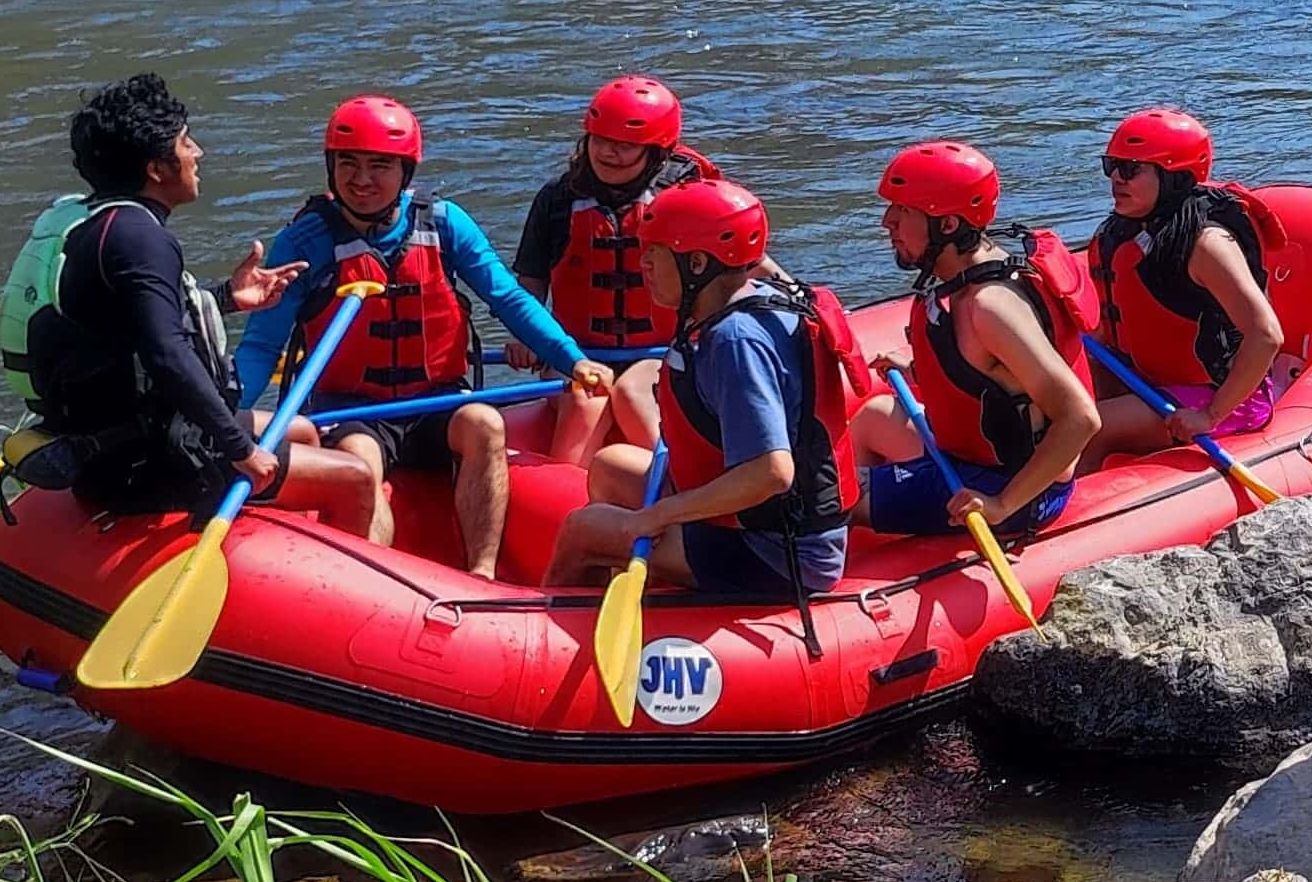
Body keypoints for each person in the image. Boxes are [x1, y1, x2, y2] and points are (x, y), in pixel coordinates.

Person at [228, 92, 608, 579]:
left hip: (435, 402)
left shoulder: (445, 224)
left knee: (485, 424)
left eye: (379, 165)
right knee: (361, 461)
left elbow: (507, 298)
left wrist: (572, 359)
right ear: (331, 165)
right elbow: (262, 346)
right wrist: (224, 411)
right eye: (349, 163)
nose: (362, 180)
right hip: (352, 409)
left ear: (405, 171)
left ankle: (482, 575)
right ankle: (381, 582)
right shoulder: (306, 240)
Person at [545, 178, 857, 604]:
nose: (644, 266)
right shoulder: (759, 294)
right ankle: (638, 594)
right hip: (758, 520)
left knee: (583, 530)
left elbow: (771, 472)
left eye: (654, 253)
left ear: (696, 265)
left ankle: (549, 636)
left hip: (778, 551)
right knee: (610, 466)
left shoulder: (735, 342)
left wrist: (660, 515)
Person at [13, 72, 281, 517]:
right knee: (352, 477)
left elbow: (130, 325)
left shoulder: (97, 223)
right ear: (156, 169)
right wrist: (241, 450)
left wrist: (228, 297)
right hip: (151, 462)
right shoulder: (141, 238)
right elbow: (165, 354)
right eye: (186, 143)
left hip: (117, 443)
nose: (198, 153)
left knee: (306, 431)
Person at [856, 137, 1100, 543]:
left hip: (1012, 490)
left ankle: (860, 526)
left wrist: (1001, 503)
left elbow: (1082, 419)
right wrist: (917, 371)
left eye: (902, 211)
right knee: (873, 417)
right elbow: (994, 380)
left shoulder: (991, 308)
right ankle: (883, 535)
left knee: (827, 497)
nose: (887, 222)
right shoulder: (967, 283)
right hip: (973, 461)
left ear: (947, 225)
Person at [512, 74, 715, 480]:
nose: (609, 152)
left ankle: (686, 487)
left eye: (625, 145)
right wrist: (526, 336)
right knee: (584, 399)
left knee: (632, 393)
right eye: (601, 140)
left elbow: (730, 269)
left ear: (656, 152)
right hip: (575, 352)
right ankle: (564, 506)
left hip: (659, 352)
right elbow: (530, 281)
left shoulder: (684, 199)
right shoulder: (557, 200)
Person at [1086, 107, 1296, 454]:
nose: (1116, 179)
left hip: (1218, 396)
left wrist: (1209, 415)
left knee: (1088, 427)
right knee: (1048, 413)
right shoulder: (1122, 233)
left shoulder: (1206, 244)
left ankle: (1066, 504)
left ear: (1174, 176)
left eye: (1130, 169)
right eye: (1112, 166)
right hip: (1144, 379)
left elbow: (1266, 335)